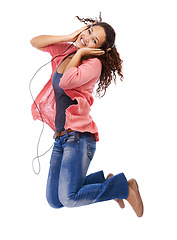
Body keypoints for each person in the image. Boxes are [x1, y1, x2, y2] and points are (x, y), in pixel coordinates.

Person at [30, 14, 143, 217]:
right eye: (89, 31)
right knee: (54, 201)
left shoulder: (93, 65)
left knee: (69, 198)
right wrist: (70, 36)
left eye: (94, 41)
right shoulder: (69, 52)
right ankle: (107, 183)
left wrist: (81, 51)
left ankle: (123, 188)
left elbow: (65, 82)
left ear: (99, 49)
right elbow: (35, 42)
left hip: (79, 137)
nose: (87, 38)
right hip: (61, 138)